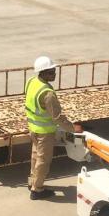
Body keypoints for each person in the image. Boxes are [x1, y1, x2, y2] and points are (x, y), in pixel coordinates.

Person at [25, 56, 82, 200]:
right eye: (51, 72)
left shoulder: (31, 82)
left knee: (35, 156)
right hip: (44, 132)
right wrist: (73, 128)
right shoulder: (47, 94)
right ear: (43, 73)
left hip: (33, 127)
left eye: (54, 71)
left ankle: (32, 181)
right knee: (43, 160)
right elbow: (57, 117)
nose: (54, 74)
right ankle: (37, 190)